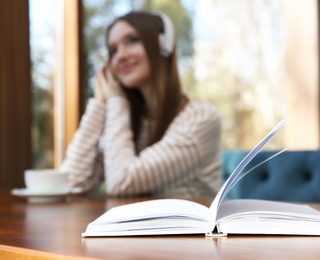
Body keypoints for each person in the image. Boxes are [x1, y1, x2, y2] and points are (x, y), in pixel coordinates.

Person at [60, 11, 222, 198]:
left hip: (186, 227)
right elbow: (70, 182)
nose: (121, 55)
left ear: (164, 46)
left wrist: (116, 100)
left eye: (132, 40)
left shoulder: (202, 117)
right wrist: (99, 104)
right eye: (113, 51)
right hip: (132, 226)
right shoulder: (123, 120)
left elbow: (121, 182)